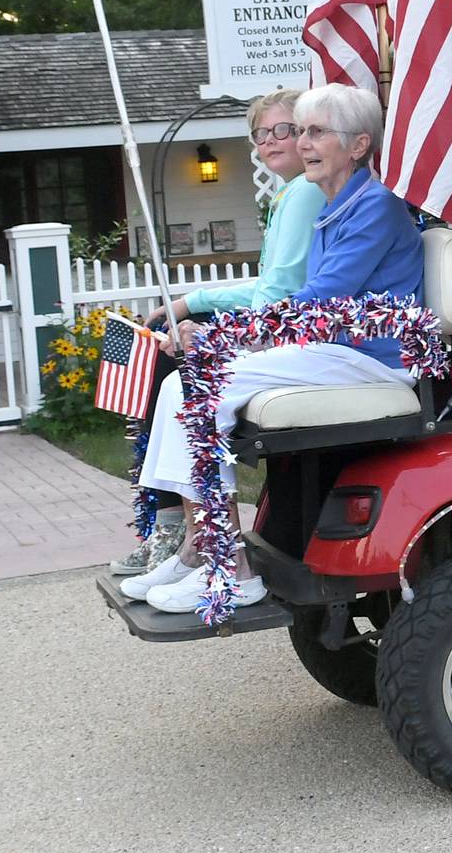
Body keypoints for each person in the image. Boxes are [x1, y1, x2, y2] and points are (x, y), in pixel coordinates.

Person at [120, 83, 424, 613]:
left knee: (195, 383)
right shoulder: (338, 206)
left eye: (316, 132)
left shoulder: (373, 208)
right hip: (337, 352)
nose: (303, 143)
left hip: (373, 360)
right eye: (300, 131)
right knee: (179, 384)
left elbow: (317, 302)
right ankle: (204, 549)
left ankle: (229, 568)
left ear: (358, 146)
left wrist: (216, 335)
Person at [109, 89, 325, 576]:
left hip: (296, 325)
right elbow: (271, 284)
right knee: (168, 351)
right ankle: (176, 522)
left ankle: (178, 527)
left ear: (310, 132)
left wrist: (202, 316)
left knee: (174, 364)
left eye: (283, 130)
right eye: (260, 134)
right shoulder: (291, 192)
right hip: (285, 316)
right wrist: (193, 302)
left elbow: (277, 292)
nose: (270, 142)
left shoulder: (305, 193)